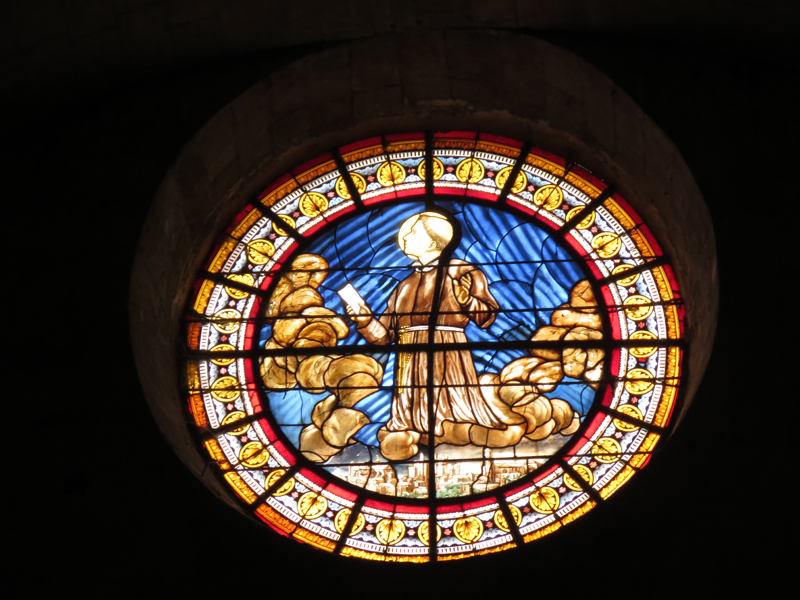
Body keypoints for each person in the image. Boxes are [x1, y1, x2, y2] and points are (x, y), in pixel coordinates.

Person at [347, 212, 518, 460]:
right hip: (407, 354)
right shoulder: (404, 284)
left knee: (452, 410)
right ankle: (415, 435)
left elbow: (487, 317)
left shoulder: (461, 271)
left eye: (413, 232)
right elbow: (384, 336)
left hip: (445, 348)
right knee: (409, 419)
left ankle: (459, 434)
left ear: (431, 242)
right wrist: (364, 320)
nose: (404, 237)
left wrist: (467, 301)